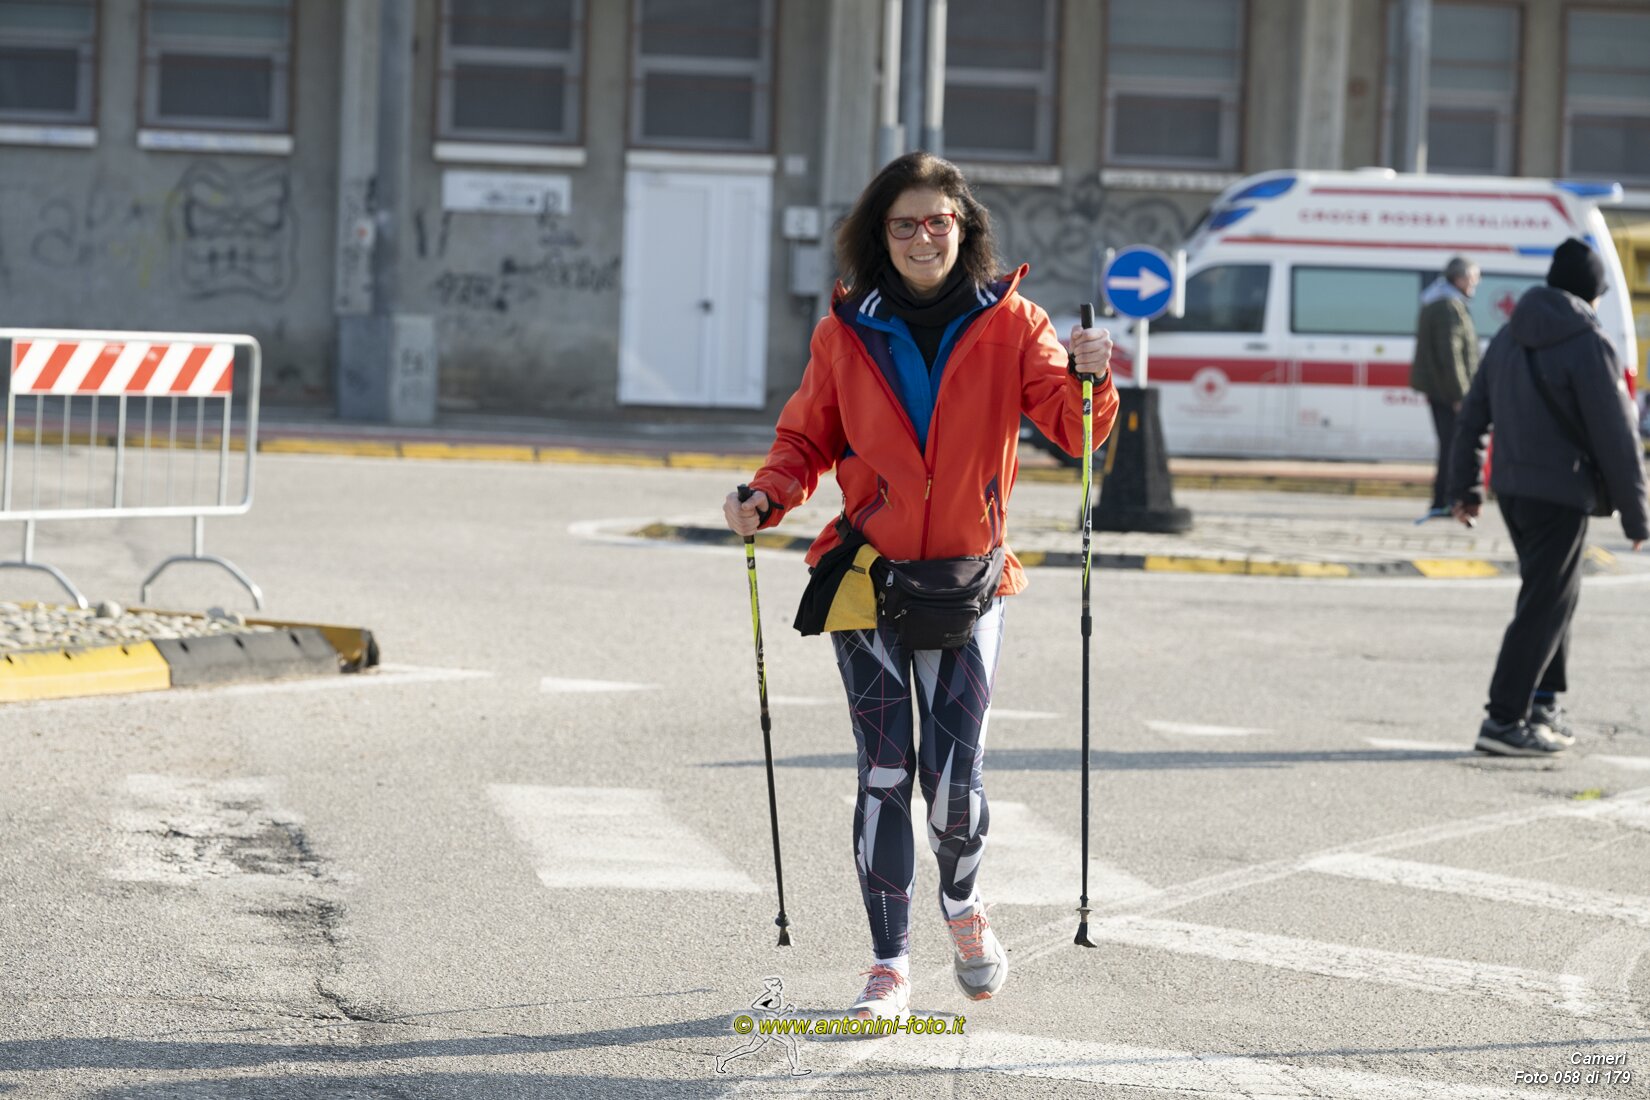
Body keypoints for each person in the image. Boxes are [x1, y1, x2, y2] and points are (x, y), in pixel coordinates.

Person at [722, 152, 1116, 1020]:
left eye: (939, 221)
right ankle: (889, 965)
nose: (923, 238)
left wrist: (1092, 375)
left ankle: (964, 907)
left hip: (970, 585)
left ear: (964, 229)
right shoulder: (845, 332)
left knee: (953, 785)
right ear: (881, 235)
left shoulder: (1015, 323)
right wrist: (766, 496)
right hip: (869, 578)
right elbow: (804, 440)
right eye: (904, 224)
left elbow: (1075, 427)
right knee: (883, 772)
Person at [1449, 238, 1648, 756]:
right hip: (1561, 492)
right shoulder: (1589, 343)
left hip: (1513, 491)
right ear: (1590, 292)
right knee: (1544, 604)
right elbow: (1617, 436)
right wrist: (1637, 516)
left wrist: (1466, 488)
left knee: (1554, 597)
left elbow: (1472, 416)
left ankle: (1543, 702)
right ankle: (1503, 719)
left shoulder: (1508, 337)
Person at [1412, 256, 1482, 521]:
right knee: (1453, 447)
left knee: (1450, 446)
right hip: (1447, 393)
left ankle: (1446, 501)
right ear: (1460, 278)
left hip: (1443, 390)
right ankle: (1446, 502)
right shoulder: (1447, 306)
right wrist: (1460, 395)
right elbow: (1450, 355)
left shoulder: (1443, 300)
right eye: (1473, 277)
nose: (1476, 283)